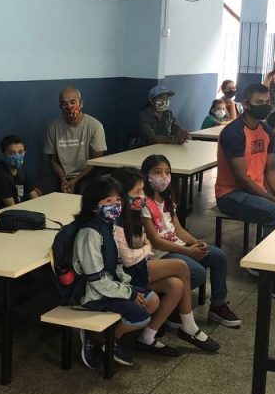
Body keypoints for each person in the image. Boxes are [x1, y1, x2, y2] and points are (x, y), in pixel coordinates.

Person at [214, 83, 275, 303]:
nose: (264, 107)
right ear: (246, 104)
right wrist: (274, 200)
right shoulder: (233, 133)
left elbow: (271, 169)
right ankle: (270, 277)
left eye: (267, 102)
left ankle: (266, 263)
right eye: (259, 103)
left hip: (255, 192)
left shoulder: (266, 131)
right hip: (230, 195)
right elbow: (242, 179)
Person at [138, 157, 241, 332]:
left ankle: (218, 304)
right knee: (197, 272)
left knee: (218, 256)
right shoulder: (143, 203)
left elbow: (177, 228)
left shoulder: (167, 197)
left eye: (167, 172)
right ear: (146, 175)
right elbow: (155, 240)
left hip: (175, 245)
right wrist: (189, 252)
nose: (163, 176)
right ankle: (171, 305)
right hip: (160, 253)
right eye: (157, 172)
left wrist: (195, 243)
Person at [72, 175, 157, 369]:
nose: (116, 205)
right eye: (108, 201)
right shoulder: (90, 233)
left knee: (152, 301)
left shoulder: (109, 225)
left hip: (111, 286)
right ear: (94, 206)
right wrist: (130, 293)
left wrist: (126, 284)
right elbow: (96, 279)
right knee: (142, 317)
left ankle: (110, 339)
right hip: (93, 293)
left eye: (117, 200)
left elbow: (115, 263)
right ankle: (99, 338)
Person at [110, 168, 191, 358]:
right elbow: (129, 258)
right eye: (137, 192)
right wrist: (145, 250)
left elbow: (144, 242)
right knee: (181, 266)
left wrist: (144, 249)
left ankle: (148, 336)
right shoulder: (117, 222)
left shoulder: (134, 216)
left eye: (142, 191)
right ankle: (189, 326)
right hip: (126, 273)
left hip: (137, 268)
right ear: (121, 195)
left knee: (176, 285)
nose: (142, 196)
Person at [43, 86, 108, 193]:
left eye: (73, 102)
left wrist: (75, 180)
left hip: (86, 175)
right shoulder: (53, 127)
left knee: (84, 191)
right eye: (64, 104)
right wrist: (63, 179)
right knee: (39, 189)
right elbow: (53, 160)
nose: (69, 107)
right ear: (60, 107)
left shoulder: (95, 126)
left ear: (81, 104)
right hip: (61, 175)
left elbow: (96, 161)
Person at [0, 134, 42, 209]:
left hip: (16, 210)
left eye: (20, 152)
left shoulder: (22, 172)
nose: (17, 156)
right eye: (12, 153)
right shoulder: (0, 175)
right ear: (3, 154)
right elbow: (12, 207)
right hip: (0, 214)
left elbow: (35, 197)